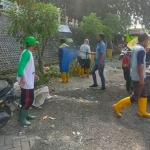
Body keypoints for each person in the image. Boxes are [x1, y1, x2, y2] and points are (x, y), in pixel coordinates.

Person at [113, 33, 150, 117]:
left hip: (134, 74)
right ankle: (117, 106)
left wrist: (146, 51)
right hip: (138, 76)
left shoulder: (135, 48)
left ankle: (142, 111)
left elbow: (137, 57)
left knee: (143, 94)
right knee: (135, 96)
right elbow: (140, 65)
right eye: (147, 40)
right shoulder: (141, 50)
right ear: (145, 40)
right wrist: (141, 79)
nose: (148, 41)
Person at [17, 36, 39, 126]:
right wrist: (22, 77)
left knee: (26, 98)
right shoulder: (27, 53)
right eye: (35, 44)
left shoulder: (27, 52)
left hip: (28, 79)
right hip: (25, 81)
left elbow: (28, 68)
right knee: (28, 100)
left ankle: (26, 114)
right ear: (33, 45)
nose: (35, 46)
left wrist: (34, 75)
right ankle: (21, 118)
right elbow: (21, 65)